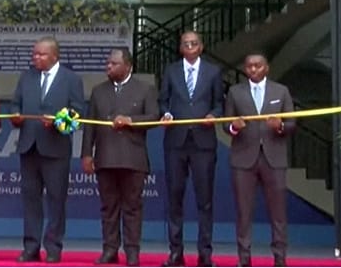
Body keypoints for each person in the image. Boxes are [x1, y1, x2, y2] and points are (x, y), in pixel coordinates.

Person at [82, 48, 158, 267]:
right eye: (108, 63)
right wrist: (87, 154)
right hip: (105, 157)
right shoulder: (98, 91)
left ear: (128, 66)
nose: (109, 67)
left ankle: (132, 252)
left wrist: (131, 120)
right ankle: (110, 249)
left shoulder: (145, 89)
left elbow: (154, 117)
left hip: (133, 159)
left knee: (132, 207)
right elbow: (89, 126)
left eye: (114, 64)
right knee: (108, 208)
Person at [11, 36, 85, 264]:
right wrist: (15, 116)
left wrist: (57, 122)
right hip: (29, 147)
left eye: (41, 54)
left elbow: (77, 114)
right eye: (34, 54)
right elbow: (15, 104)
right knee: (30, 200)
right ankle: (30, 247)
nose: (36, 57)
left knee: (56, 200)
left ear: (54, 56)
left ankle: (53, 247)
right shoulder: (27, 76)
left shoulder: (71, 79)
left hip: (56, 149)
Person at [224, 52, 295, 268]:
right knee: (243, 212)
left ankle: (280, 258)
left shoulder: (281, 91)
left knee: (278, 212)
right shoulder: (235, 92)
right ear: (245, 69)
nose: (253, 69)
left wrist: (280, 126)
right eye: (249, 66)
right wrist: (233, 127)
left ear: (267, 68)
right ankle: (244, 258)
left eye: (258, 66)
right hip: (243, 159)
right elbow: (226, 124)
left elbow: (291, 124)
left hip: (274, 159)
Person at [159, 31, 223, 267]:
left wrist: (213, 115)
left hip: (203, 142)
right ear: (180, 48)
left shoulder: (213, 71)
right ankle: (175, 253)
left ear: (201, 47)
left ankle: (205, 254)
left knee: (205, 201)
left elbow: (219, 103)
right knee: (174, 198)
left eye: (194, 43)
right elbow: (162, 101)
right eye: (186, 43)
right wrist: (166, 114)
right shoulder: (171, 70)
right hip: (175, 142)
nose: (190, 46)